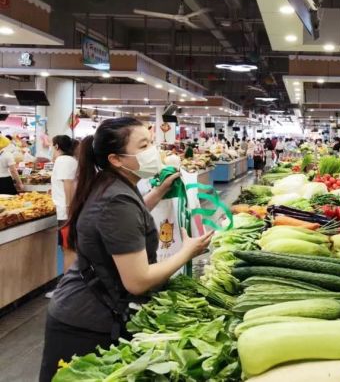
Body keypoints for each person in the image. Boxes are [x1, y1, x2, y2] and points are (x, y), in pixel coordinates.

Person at [39, 118, 212, 381]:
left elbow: (132, 217)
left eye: (152, 142)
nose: (154, 151)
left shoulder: (113, 186)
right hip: (86, 322)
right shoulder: (116, 199)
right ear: (117, 159)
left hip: (89, 307)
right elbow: (138, 281)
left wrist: (159, 191)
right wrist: (188, 251)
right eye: (144, 145)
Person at [51, 135, 79, 273]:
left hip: (65, 210)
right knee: (69, 247)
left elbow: (68, 183)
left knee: (68, 248)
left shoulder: (62, 160)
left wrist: (69, 207)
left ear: (56, 146)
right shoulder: (71, 160)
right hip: (67, 208)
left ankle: (67, 285)